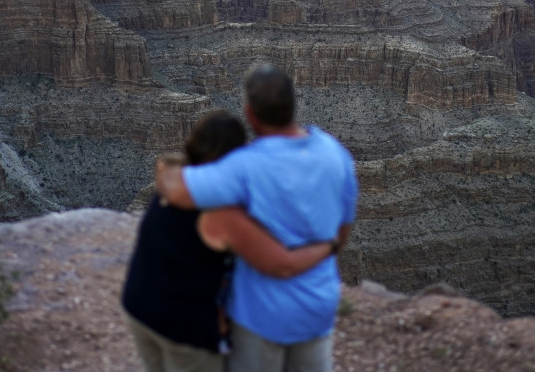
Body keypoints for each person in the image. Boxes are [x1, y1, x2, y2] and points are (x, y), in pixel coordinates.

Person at [156, 64, 358, 372]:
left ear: (250, 114)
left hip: (261, 315)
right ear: (294, 103)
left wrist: (174, 162)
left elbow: (175, 190)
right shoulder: (336, 154)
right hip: (317, 307)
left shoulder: (243, 168)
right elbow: (342, 234)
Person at [122, 110, 336, 372]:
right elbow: (283, 264)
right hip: (182, 328)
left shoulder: (175, 179)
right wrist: (329, 246)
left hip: (139, 308)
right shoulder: (221, 211)